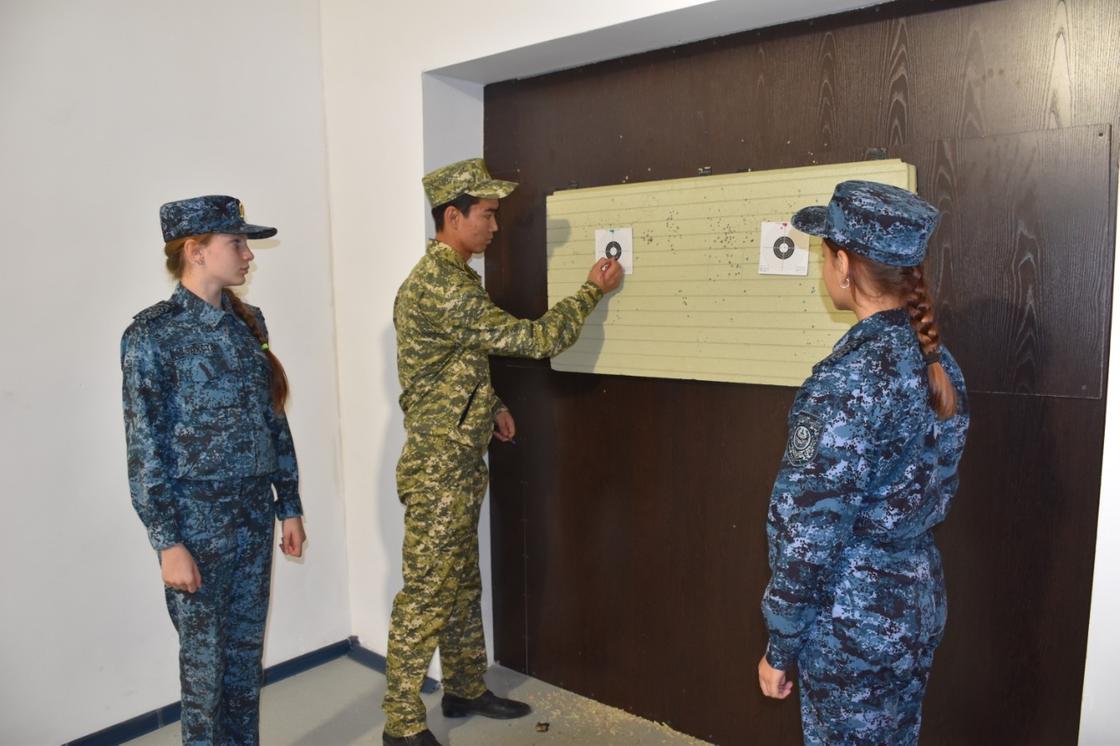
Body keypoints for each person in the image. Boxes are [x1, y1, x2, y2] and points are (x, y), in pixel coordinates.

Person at [383, 159, 623, 746]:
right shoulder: (441, 284)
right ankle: (399, 721)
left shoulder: (457, 277)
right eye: (487, 215)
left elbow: (455, 361)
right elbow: (533, 339)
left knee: (462, 581)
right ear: (453, 216)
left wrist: (491, 407)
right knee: (427, 590)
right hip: (439, 467)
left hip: (458, 458)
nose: (494, 226)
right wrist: (594, 290)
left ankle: (465, 686)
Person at [757, 181, 970, 744]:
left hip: (852, 617)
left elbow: (807, 532)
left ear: (843, 264)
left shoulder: (846, 381)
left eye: (824, 254)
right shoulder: (938, 361)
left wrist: (780, 645)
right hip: (914, 598)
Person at [121, 195, 307, 745]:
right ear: (195, 251)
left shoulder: (249, 323)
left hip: (252, 517)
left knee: (245, 666)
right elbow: (143, 447)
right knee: (205, 676)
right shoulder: (150, 337)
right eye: (237, 243)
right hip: (196, 528)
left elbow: (273, 417)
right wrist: (167, 541)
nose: (248, 254)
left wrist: (288, 503)